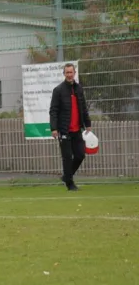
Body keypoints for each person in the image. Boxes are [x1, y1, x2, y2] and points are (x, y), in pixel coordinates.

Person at [49, 63, 92, 191]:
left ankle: (67, 176)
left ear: (74, 73)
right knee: (67, 157)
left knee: (80, 155)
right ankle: (70, 184)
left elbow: (83, 108)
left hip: (77, 129)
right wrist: (54, 128)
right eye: (67, 72)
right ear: (64, 74)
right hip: (64, 130)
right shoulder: (58, 90)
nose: (69, 75)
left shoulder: (79, 89)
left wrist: (87, 124)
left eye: (71, 72)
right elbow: (53, 110)